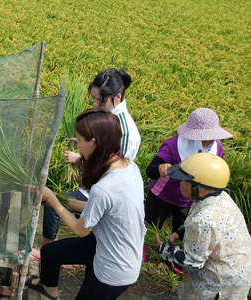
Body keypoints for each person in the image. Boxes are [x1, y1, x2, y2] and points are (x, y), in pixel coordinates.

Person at [26, 109, 146, 299]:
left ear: (94, 142)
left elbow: (80, 229)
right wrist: (65, 199)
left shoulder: (105, 187)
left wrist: (52, 199)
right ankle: (49, 289)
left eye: (79, 140)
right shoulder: (129, 166)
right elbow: (103, 210)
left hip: (115, 265)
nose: (78, 146)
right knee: (50, 252)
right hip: (104, 243)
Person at [42, 68, 141, 246]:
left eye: (100, 100)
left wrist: (80, 159)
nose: (96, 104)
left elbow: (111, 167)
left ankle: (48, 247)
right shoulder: (108, 115)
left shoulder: (124, 130)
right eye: (94, 98)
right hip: (95, 187)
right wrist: (83, 143)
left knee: (55, 207)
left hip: (102, 193)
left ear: (117, 97)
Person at [153, 153, 251, 300]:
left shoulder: (204, 220)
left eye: (184, 181)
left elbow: (190, 263)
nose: (180, 183)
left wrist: (164, 248)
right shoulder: (220, 196)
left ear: (200, 188)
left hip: (219, 284)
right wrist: (178, 234)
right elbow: (209, 233)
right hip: (236, 269)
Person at [145, 108, 232, 234]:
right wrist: (160, 168)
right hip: (162, 195)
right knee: (150, 230)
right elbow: (150, 171)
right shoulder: (172, 145)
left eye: (211, 137)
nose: (208, 142)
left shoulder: (216, 147)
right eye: (203, 138)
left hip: (188, 199)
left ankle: (170, 252)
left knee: (182, 234)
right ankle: (143, 253)